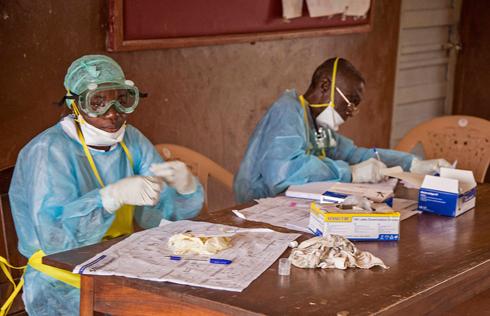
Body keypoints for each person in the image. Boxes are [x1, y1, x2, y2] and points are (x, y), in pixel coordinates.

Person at [8, 55, 205, 315]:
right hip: (63, 281)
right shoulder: (48, 150)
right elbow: (57, 242)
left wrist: (185, 188)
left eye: (121, 102)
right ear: (75, 105)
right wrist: (111, 197)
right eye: (97, 103)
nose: (112, 114)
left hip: (119, 265)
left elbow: (157, 219)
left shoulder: (131, 140)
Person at [233, 57, 451, 204]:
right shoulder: (287, 111)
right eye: (350, 103)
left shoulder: (317, 123)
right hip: (259, 208)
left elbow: (354, 154)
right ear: (325, 86)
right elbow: (285, 172)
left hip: (292, 206)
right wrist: (352, 173)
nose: (350, 113)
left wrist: (412, 164)